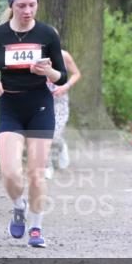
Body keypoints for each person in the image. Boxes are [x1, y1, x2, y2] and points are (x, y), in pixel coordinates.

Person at [0, 0, 67, 248]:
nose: (27, 11)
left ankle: (36, 227)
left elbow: (61, 75)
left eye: (32, 5)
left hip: (40, 107)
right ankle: (18, 206)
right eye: (21, 5)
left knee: (36, 173)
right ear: (12, 6)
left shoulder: (47, 34)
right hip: (10, 107)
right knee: (10, 173)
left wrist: (48, 72)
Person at [45, 49, 81, 180]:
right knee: (44, 134)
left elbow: (77, 74)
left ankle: (61, 145)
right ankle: (47, 166)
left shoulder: (64, 55)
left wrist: (66, 86)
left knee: (55, 135)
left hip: (59, 100)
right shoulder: (37, 55)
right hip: (42, 99)